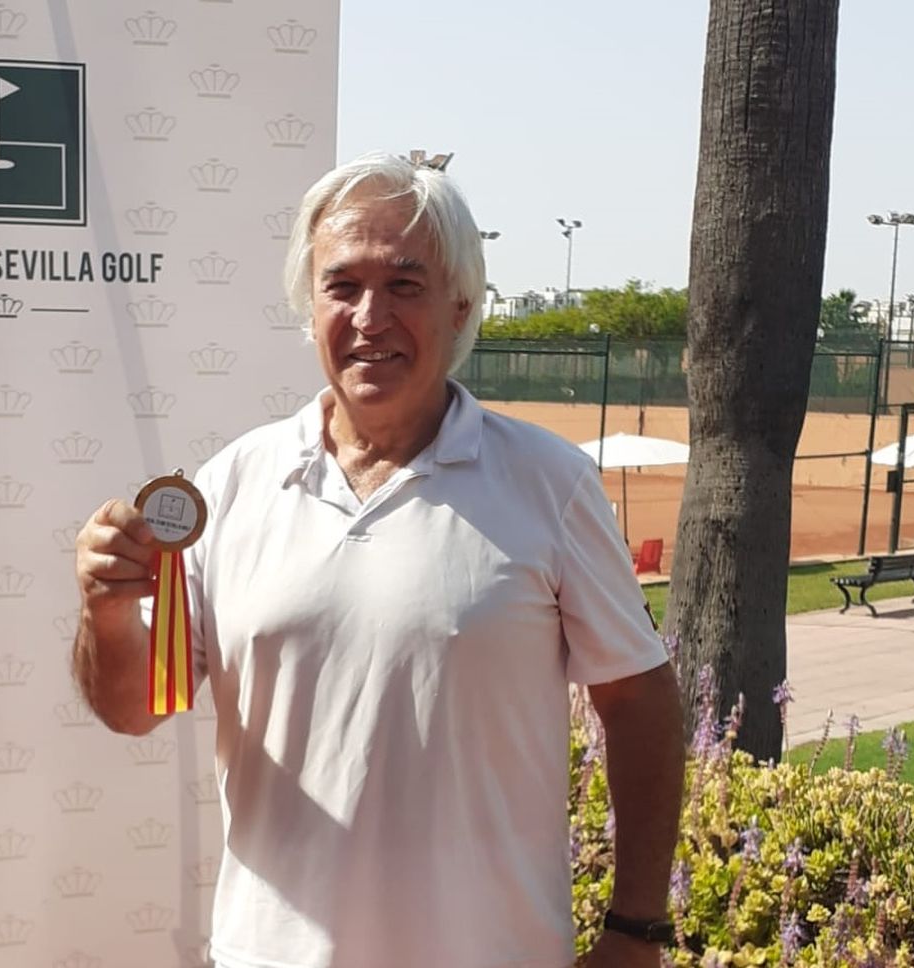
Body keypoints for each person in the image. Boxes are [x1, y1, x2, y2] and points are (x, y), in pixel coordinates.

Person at [74, 153, 685, 968]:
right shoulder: (231, 484)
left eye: (405, 284)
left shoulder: (550, 484)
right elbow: (137, 707)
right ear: (309, 302)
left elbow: (639, 700)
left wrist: (637, 926)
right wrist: (106, 608)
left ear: (459, 304)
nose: (370, 316)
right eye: (343, 285)